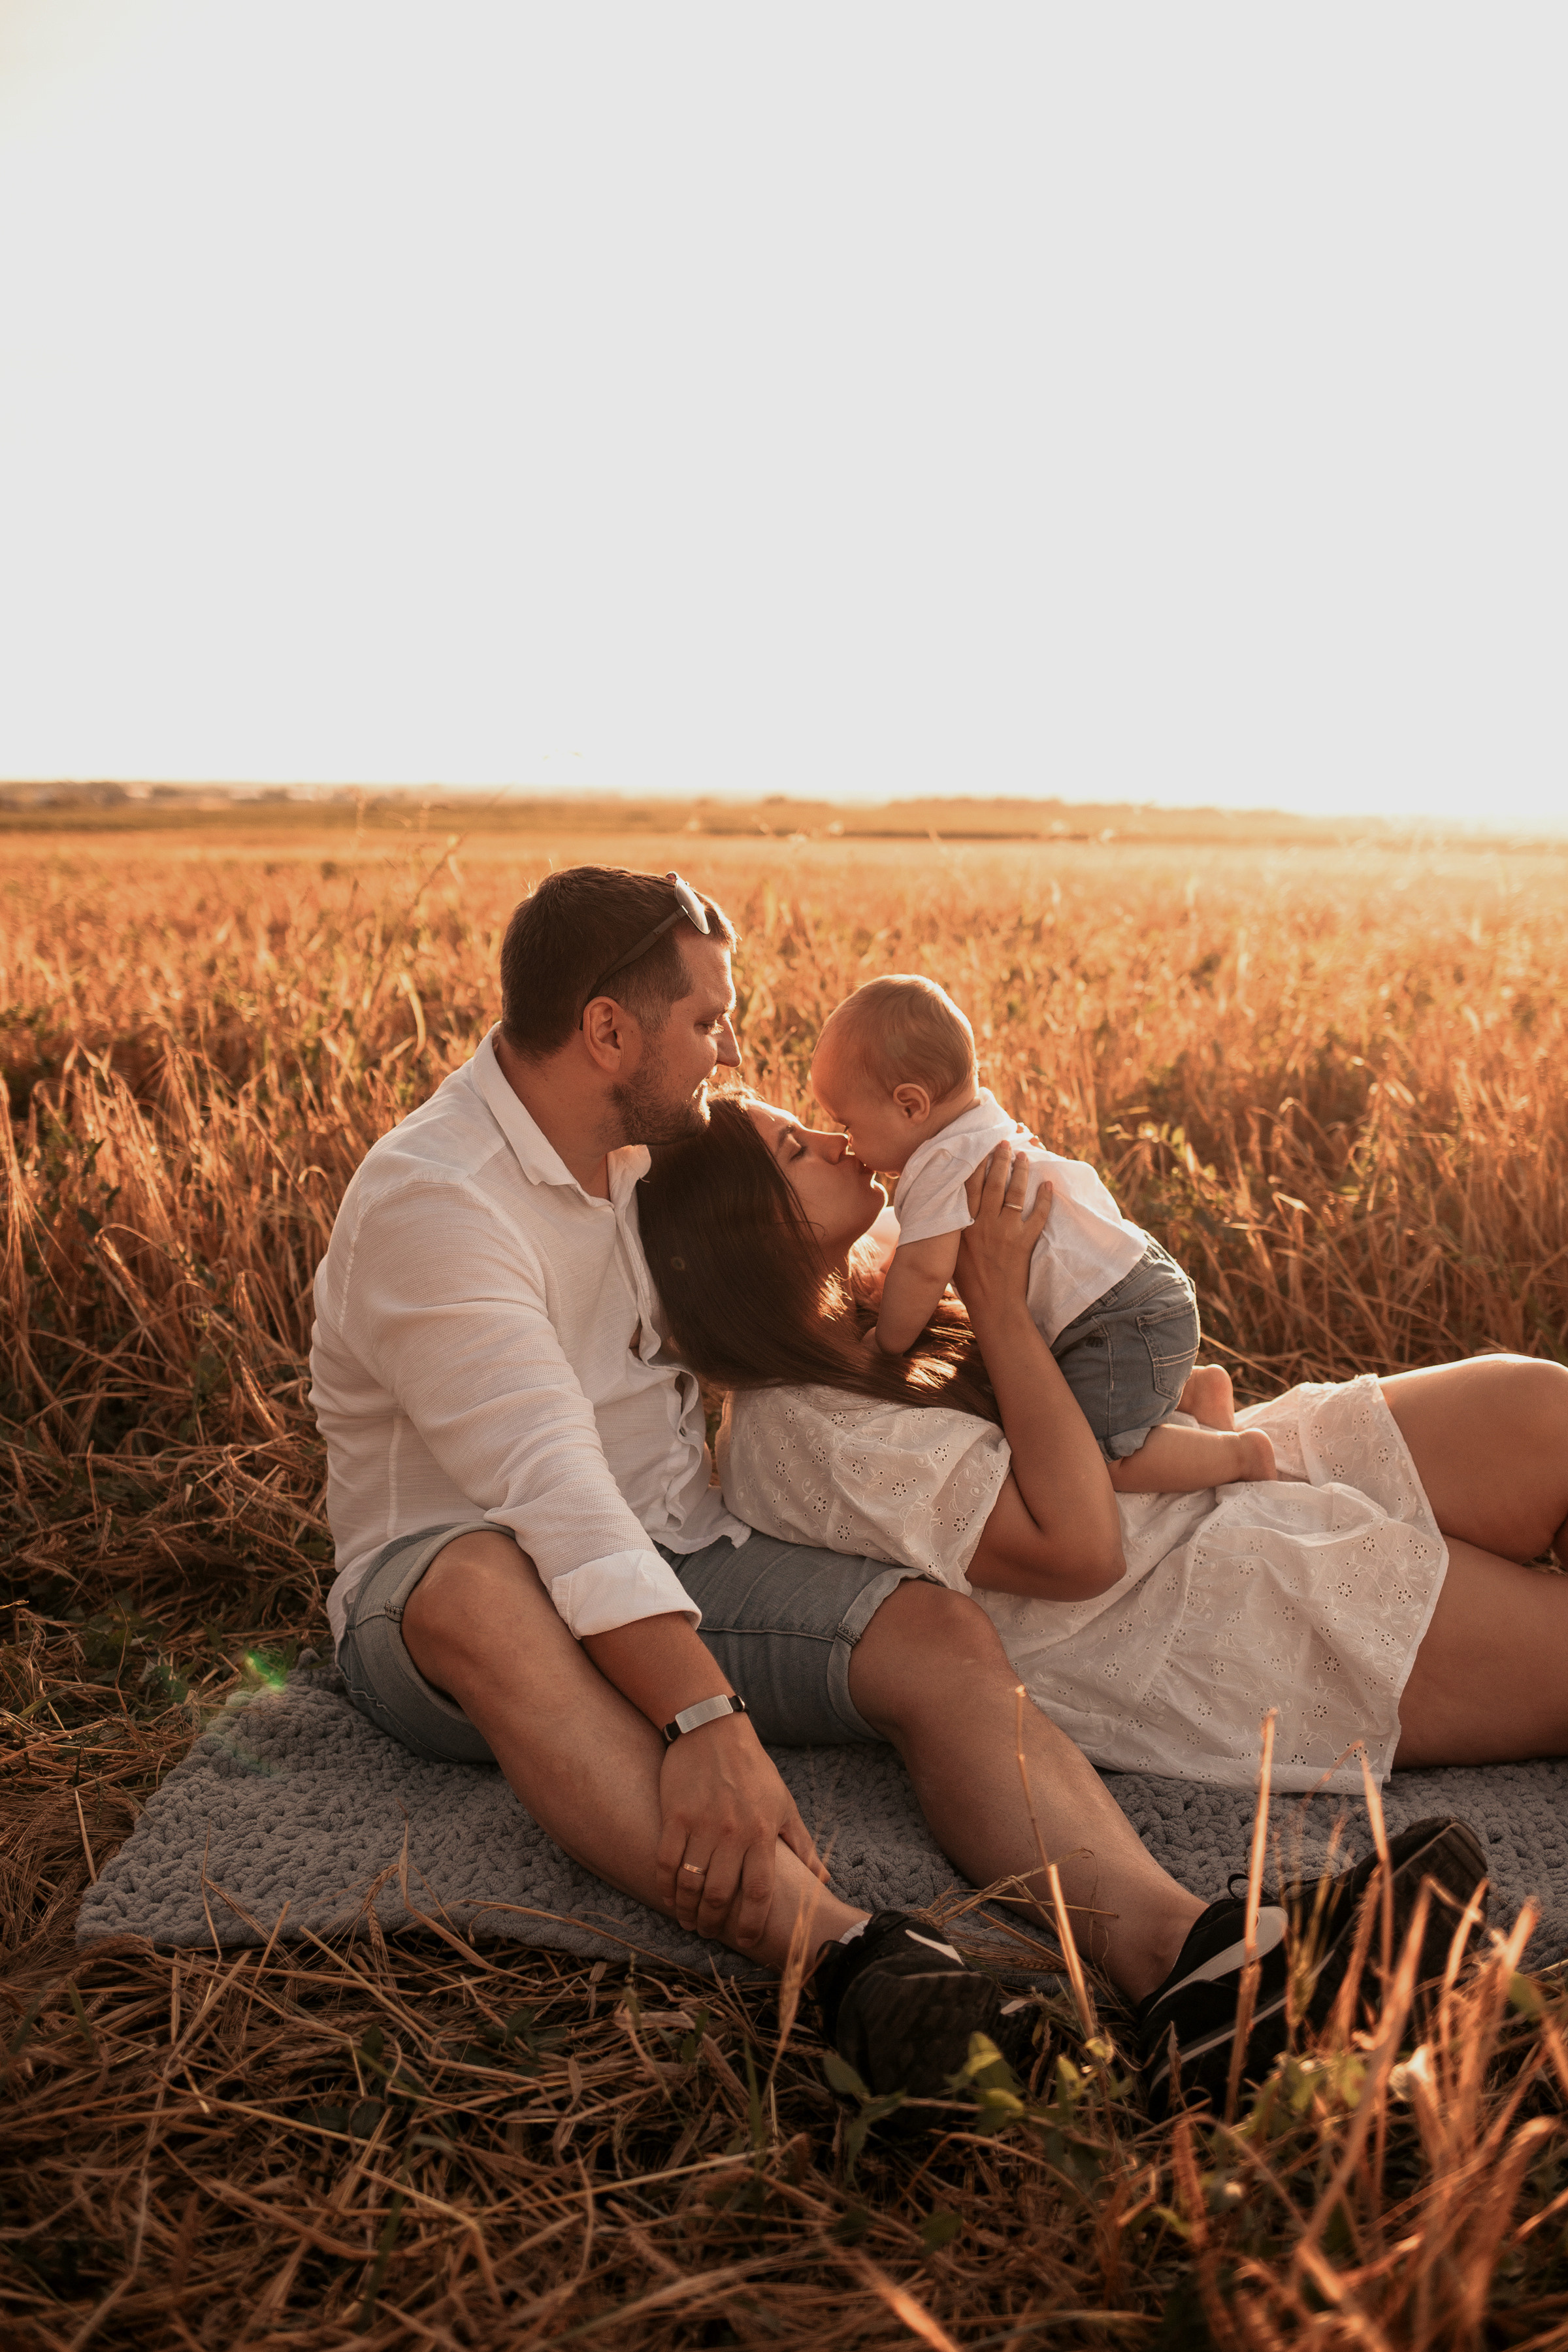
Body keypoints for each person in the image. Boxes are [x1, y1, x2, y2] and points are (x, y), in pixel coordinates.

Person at [309, 864, 1482, 2120]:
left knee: (932, 1625)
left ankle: (1193, 1965)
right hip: (440, 1587)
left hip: (682, 1556)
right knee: (484, 1587)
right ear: (608, 1031)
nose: (728, 1048)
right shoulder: (438, 1200)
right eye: (707, 1020)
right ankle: (852, 1964)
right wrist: (704, 1724)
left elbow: (785, 1268)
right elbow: (550, 1491)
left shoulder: (640, 1152)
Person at [810, 973, 1275, 1493]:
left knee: (1093, 1459)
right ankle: (1193, 1392)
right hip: (1138, 1290)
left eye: (848, 1124)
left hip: (1113, 1322)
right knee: (1096, 1398)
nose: (847, 1143)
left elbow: (925, 1268)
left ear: (912, 1105)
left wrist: (887, 1341)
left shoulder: (936, 1164)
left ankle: (1240, 1455)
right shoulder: (985, 1125)